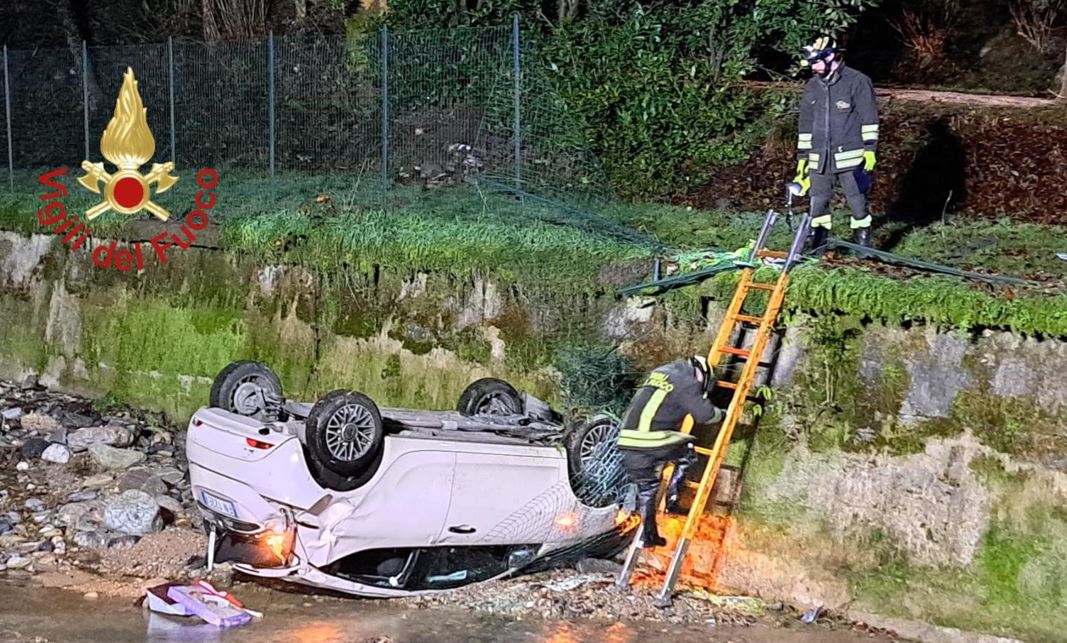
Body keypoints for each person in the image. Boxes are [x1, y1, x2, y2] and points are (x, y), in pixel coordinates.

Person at [616, 356, 726, 548]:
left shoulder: (660, 372)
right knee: (688, 452)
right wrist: (723, 413)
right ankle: (673, 501)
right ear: (703, 375)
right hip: (649, 440)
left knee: (648, 488)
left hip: (626, 440)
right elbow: (705, 415)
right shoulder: (687, 382)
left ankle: (648, 536)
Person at [792, 35, 879, 254]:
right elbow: (806, 124)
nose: (814, 67)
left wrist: (870, 149)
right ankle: (818, 248)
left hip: (850, 155)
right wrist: (803, 158)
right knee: (817, 202)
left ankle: (864, 248)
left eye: (817, 61)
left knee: (856, 201)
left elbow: (869, 118)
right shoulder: (812, 86)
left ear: (831, 56)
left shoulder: (857, 82)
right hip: (819, 157)